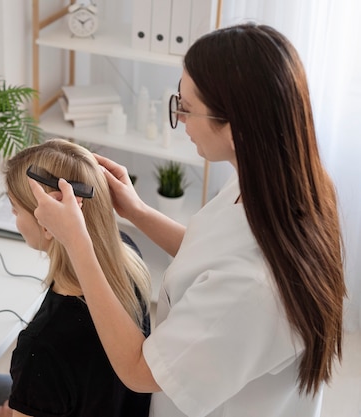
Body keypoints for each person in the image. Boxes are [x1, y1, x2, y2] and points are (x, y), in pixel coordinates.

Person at [27, 23, 346, 417]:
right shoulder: (275, 182)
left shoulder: (251, 291)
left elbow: (139, 371)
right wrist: (138, 211)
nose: (179, 117)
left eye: (186, 108)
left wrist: (79, 243)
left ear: (236, 128)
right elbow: (212, 254)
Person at [0, 138, 153, 417]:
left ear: (48, 223)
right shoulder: (127, 256)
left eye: (14, 210)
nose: (14, 218)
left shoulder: (41, 349)